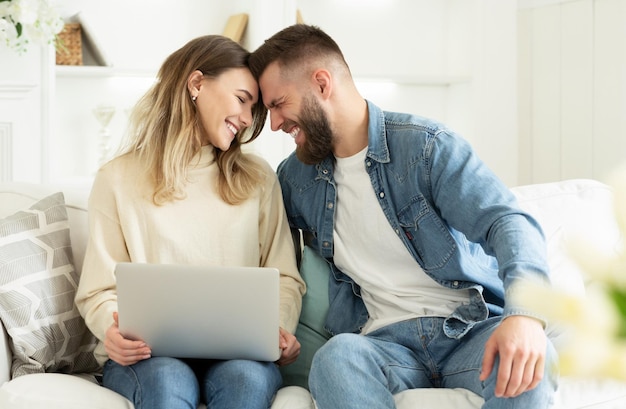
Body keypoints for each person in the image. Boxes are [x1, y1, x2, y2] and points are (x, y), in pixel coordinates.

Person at [248, 24, 558, 409]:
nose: (275, 123)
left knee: (535, 362)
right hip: (384, 345)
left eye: (278, 104)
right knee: (334, 359)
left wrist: (525, 317)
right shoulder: (296, 178)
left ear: (322, 84)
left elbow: (507, 222)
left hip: (467, 331)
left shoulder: (425, 148)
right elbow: (264, 250)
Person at [75, 35, 305, 409]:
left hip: (241, 357)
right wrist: (111, 330)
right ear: (196, 83)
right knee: (167, 380)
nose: (248, 119)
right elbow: (98, 289)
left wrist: (277, 331)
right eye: (242, 100)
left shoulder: (259, 178)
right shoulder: (117, 178)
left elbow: (284, 277)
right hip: (148, 357)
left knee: (244, 380)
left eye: (254, 109)